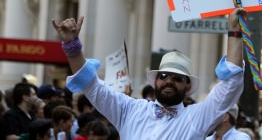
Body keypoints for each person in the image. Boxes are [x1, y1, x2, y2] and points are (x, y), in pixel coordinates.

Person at [52, 8, 246, 139]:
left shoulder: (196, 118)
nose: (169, 81)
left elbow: (230, 86)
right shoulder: (130, 110)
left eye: (177, 78)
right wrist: (72, 46)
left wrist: (234, 33)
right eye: (163, 76)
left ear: (187, 87)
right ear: (155, 81)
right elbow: (91, 85)